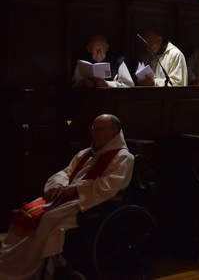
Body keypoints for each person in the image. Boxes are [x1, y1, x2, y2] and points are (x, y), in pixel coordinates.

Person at [0, 114, 134, 278]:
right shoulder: (86, 153)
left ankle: (35, 268)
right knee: (26, 211)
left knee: (47, 218)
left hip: (89, 202)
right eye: (92, 128)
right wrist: (58, 185)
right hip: (67, 196)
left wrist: (75, 189)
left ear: (114, 131)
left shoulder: (123, 158)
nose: (93, 132)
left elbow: (110, 185)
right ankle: (11, 261)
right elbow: (66, 172)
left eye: (99, 129)